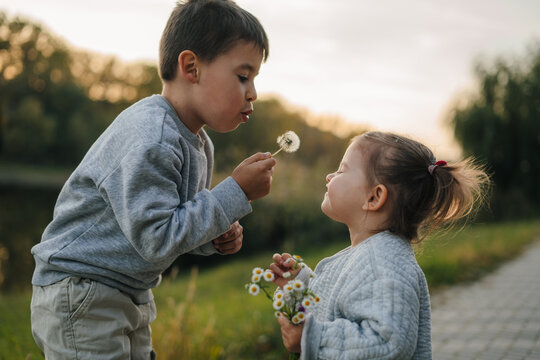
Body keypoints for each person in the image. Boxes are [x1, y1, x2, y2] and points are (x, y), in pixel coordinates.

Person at [30, 0, 275, 358]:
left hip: (126, 290)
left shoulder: (197, 143)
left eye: (254, 79)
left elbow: (174, 225)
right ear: (192, 67)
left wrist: (216, 236)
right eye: (242, 76)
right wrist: (234, 192)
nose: (253, 92)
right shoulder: (153, 136)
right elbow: (157, 238)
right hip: (82, 288)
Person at [270, 131, 489, 359]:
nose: (329, 176)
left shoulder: (384, 263)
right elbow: (335, 304)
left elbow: (387, 342)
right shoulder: (369, 254)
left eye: (342, 170)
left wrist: (313, 338)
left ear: (374, 198)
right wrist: (298, 284)